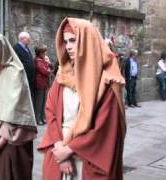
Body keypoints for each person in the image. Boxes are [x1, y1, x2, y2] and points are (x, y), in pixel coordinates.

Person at [38, 18, 126, 180]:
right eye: (65, 42)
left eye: (73, 40)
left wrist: (69, 150)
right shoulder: (62, 75)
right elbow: (51, 112)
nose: (68, 46)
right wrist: (59, 148)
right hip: (59, 152)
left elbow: (105, 127)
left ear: (87, 41)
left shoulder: (107, 79)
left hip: (87, 157)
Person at [0, 32, 37, 180]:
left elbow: (17, 111)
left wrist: (2, 140)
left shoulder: (15, 72)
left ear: (0, 49)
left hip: (11, 139)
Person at [13, 32, 36, 101]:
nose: (29, 40)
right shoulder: (16, 48)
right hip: (23, 77)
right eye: (28, 39)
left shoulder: (26, 48)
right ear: (22, 39)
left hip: (29, 77)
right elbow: (16, 62)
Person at [34, 44, 52, 125]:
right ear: (40, 53)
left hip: (44, 83)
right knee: (39, 102)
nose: (45, 53)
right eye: (44, 52)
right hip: (40, 84)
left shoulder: (43, 60)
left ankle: (42, 117)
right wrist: (48, 68)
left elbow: (50, 67)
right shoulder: (38, 60)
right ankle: (38, 119)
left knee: (44, 102)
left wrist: (48, 63)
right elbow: (45, 71)